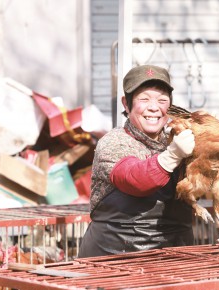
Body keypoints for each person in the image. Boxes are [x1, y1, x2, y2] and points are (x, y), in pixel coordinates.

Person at [78, 64, 196, 257]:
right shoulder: (114, 142)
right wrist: (173, 156)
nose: (154, 107)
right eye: (144, 99)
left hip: (174, 261)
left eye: (162, 100)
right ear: (126, 104)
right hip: (113, 261)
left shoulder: (180, 139)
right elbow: (135, 180)